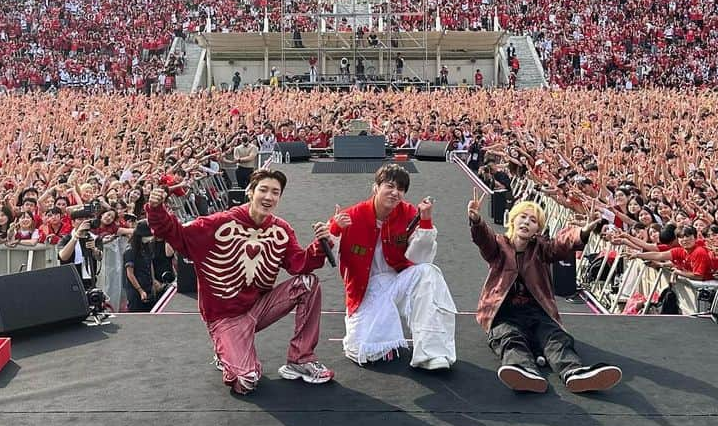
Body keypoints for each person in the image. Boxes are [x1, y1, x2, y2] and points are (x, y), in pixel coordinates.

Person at [145, 169, 334, 395]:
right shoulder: (218, 223)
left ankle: (301, 359)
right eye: (263, 190)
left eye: (275, 192)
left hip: (259, 307)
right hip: (225, 316)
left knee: (308, 283)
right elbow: (176, 234)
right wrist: (156, 210)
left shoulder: (281, 229)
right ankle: (225, 351)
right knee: (247, 381)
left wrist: (320, 245)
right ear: (250, 192)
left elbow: (298, 264)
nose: (269, 197)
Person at [467, 190, 622, 395]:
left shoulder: (541, 248)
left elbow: (561, 245)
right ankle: (523, 371)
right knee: (509, 338)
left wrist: (583, 231)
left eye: (532, 220)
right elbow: (483, 239)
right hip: (503, 313)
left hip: (537, 311)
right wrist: (477, 220)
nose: (526, 222)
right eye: (522, 217)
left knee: (556, 338)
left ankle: (574, 373)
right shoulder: (498, 245)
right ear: (513, 220)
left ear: (537, 229)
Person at [326, 163, 456, 369]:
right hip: (365, 288)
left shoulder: (409, 213)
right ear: (375, 187)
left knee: (428, 273)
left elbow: (422, 258)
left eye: (401, 189)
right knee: (362, 350)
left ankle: (432, 353)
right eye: (390, 186)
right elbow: (328, 257)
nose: (395, 193)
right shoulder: (351, 216)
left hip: (398, 280)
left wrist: (425, 221)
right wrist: (334, 229)